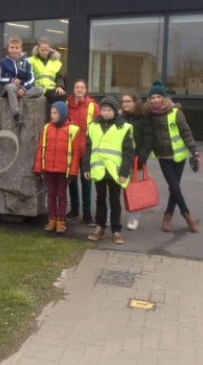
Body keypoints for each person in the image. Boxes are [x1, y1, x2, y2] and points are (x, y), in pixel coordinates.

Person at [145, 80, 200, 233]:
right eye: (152, 97)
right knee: (174, 186)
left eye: (158, 97)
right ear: (149, 100)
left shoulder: (175, 112)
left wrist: (195, 150)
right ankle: (186, 215)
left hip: (180, 155)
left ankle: (168, 215)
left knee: (173, 188)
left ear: (164, 98)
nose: (155, 100)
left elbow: (186, 133)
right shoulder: (148, 114)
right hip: (164, 156)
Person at [84, 95, 134, 244]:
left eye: (109, 110)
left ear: (115, 111)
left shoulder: (124, 127)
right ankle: (100, 227)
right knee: (100, 199)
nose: (105, 113)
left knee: (115, 201)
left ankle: (116, 230)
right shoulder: (93, 126)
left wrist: (124, 172)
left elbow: (128, 153)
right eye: (103, 110)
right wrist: (86, 167)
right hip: (99, 170)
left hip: (115, 171)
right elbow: (88, 149)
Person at [34, 101, 80, 234]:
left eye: (55, 113)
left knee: (61, 196)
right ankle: (52, 219)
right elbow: (41, 149)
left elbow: (76, 153)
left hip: (63, 170)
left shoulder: (72, 130)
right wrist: (38, 167)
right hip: (49, 168)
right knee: (51, 195)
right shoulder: (47, 128)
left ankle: (61, 220)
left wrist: (72, 172)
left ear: (63, 114)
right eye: (51, 113)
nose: (52, 115)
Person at [66, 79, 100, 225]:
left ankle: (87, 214)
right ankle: (74, 210)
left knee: (86, 182)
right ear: (73, 89)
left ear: (86, 90)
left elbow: (99, 127)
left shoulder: (93, 106)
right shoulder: (67, 104)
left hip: (87, 149)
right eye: (77, 87)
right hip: (71, 149)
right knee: (71, 181)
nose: (79, 90)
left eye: (82, 87)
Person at [120, 92, 153, 231]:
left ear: (135, 102)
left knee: (135, 191)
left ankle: (134, 218)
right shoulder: (121, 117)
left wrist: (142, 159)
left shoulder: (144, 117)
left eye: (128, 101)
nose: (125, 103)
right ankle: (111, 216)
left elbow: (148, 140)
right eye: (123, 101)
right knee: (116, 190)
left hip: (136, 160)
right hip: (121, 159)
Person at [0, 36, 44, 126]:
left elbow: (31, 78)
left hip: (22, 89)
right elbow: (0, 78)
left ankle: (17, 96)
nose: (14, 50)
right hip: (8, 88)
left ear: (21, 49)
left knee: (40, 90)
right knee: (11, 87)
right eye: (12, 47)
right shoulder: (3, 62)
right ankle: (16, 114)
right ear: (8, 49)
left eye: (16, 48)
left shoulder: (27, 62)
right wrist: (11, 80)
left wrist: (23, 88)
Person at [28, 38, 66, 117]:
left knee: (63, 95)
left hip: (50, 89)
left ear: (49, 50)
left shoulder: (55, 61)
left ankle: (63, 118)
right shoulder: (31, 61)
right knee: (53, 98)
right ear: (38, 49)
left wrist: (59, 86)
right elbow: (28, 76)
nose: (45, 52)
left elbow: (59, 76)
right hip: (37, 89)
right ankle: (51, 119)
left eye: (46, 50)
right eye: (42, 50)